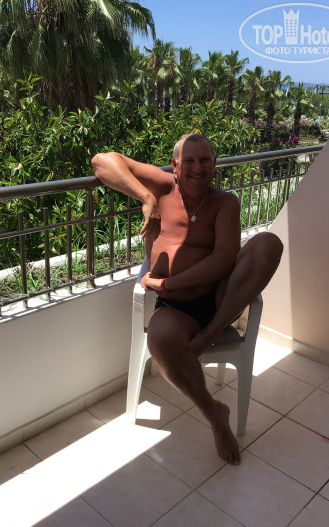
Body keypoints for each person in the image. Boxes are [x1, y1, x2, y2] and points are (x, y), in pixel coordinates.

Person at [92, 133, 283, 465]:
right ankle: (215, 415)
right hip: (178, 308)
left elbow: (223, 260)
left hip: (218, 298)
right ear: (175, 165)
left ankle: (211, 332)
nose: (197, 168)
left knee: (269, 242)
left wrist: (167, 283)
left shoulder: (225, 202)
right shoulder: (162, 187)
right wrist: (146, 198)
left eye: (205, 160)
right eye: (189, 161)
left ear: (214, 165)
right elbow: (101, 162)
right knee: (160, 339)